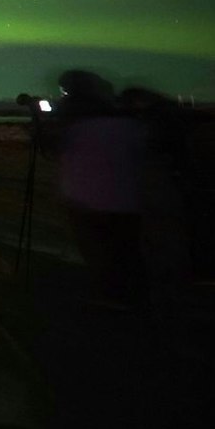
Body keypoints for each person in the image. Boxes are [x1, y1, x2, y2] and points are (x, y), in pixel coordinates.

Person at [122, 86, 215, 286]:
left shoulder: (159, 120)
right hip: (205, 178)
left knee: (198, 227)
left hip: (189, 179)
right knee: (208, 227)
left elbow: (161, 148)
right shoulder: (180, 114)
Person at [48, 69, 150, 309]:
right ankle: (135, 294)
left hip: (84, 200)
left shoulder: (74, 124)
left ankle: (112, 295)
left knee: (98, 249)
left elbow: (51, 148)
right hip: (127, 199)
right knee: (127, 248)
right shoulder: (127, 123)